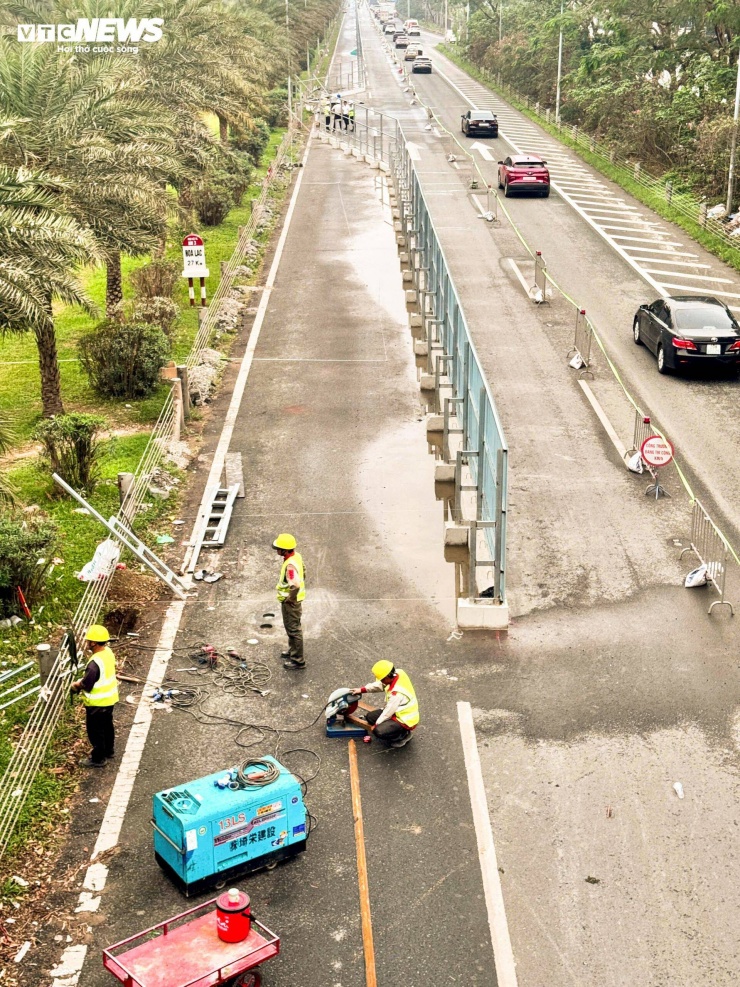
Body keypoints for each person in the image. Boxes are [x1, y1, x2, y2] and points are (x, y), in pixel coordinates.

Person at [70, 624, 119, 767]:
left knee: (96, 732)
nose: (87, 643)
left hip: (97, 704)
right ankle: (109, 750)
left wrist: (76, 685)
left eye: (88, 640)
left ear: (93, 643)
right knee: (107, 726)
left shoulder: (93, 664)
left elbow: (87, 685)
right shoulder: (108, 652)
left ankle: (98, 758)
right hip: (110, 700)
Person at [351, 660, 419, 747]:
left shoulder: (396, 694)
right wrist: (362, 690)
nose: (382, 681)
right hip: (396, 711)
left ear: (387, 677)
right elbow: (380, 685)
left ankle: (403, 735)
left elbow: (387, 713)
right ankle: (390, 727)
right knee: (370, 717)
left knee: (378, 731)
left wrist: (376, 725)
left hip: (405, 719)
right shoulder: (398, 673)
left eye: (382, 679)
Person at [273, 533, 306, 670]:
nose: (277, 550)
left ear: (285, 550)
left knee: (293, 630)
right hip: (293, 601)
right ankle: (293, 651)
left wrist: (290, 598)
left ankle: (298, 660)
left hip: (290, 603)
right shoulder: (296, 556)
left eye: (279, 548)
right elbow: (304, 570)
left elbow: (296, 585)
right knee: (291, 628)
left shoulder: (290, 565)